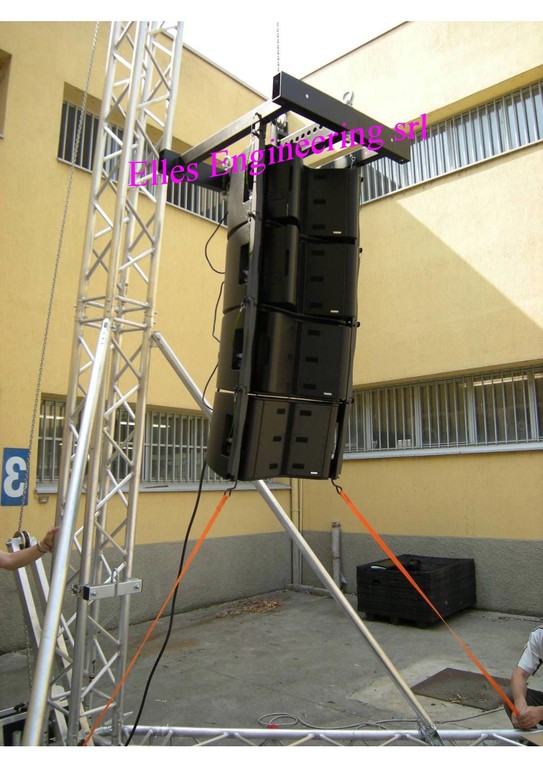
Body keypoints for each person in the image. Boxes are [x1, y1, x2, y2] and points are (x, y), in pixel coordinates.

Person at [507, 625, 543, 730]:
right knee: (513, 696)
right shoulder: (540, 635)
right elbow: (520, 674)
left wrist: (540, 713)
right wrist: (520, 704)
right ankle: (531, 739)